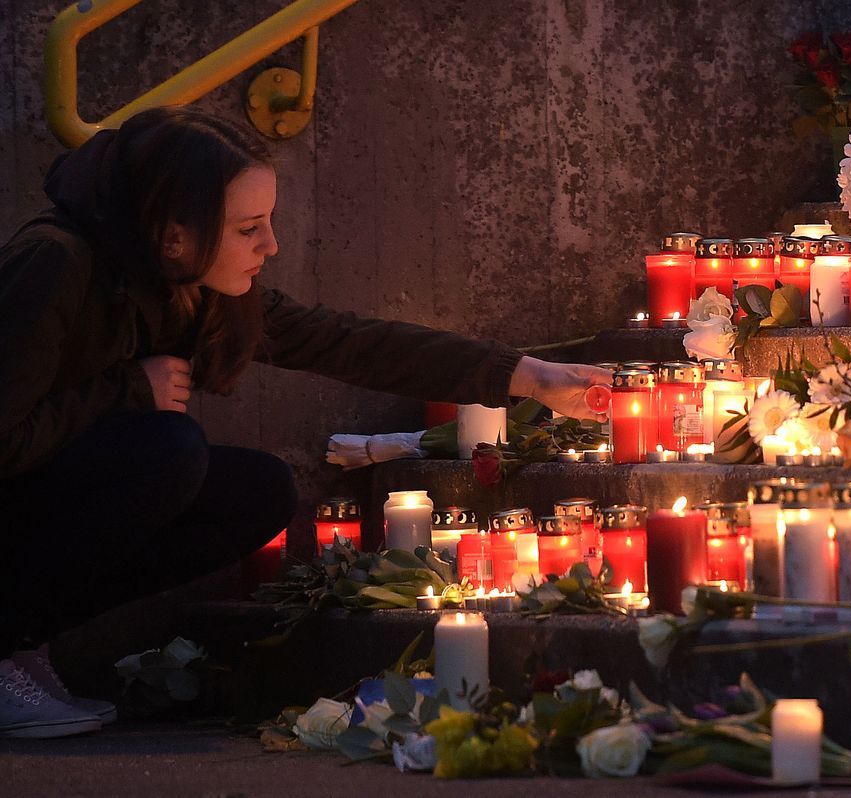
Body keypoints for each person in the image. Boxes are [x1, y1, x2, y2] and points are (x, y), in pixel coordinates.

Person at [0, 106, 610, 737]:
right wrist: (128, 389)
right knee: (167, 450)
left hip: (49, 495)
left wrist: (529, 377)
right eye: (248, 229)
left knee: (254, 492)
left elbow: (342, 342)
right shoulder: (54, 263)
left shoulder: (183, 280)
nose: (271, 245)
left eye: (269, 222)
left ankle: (23, 636)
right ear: (172, 233)